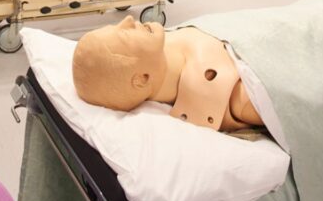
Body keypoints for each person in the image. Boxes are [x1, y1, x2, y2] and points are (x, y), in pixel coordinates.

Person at [73, 15, 264, 132]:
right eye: (124, 35)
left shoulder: (173, 38)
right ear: (141, 79)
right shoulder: (237, 96)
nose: (128, 20)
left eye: (116, 26)